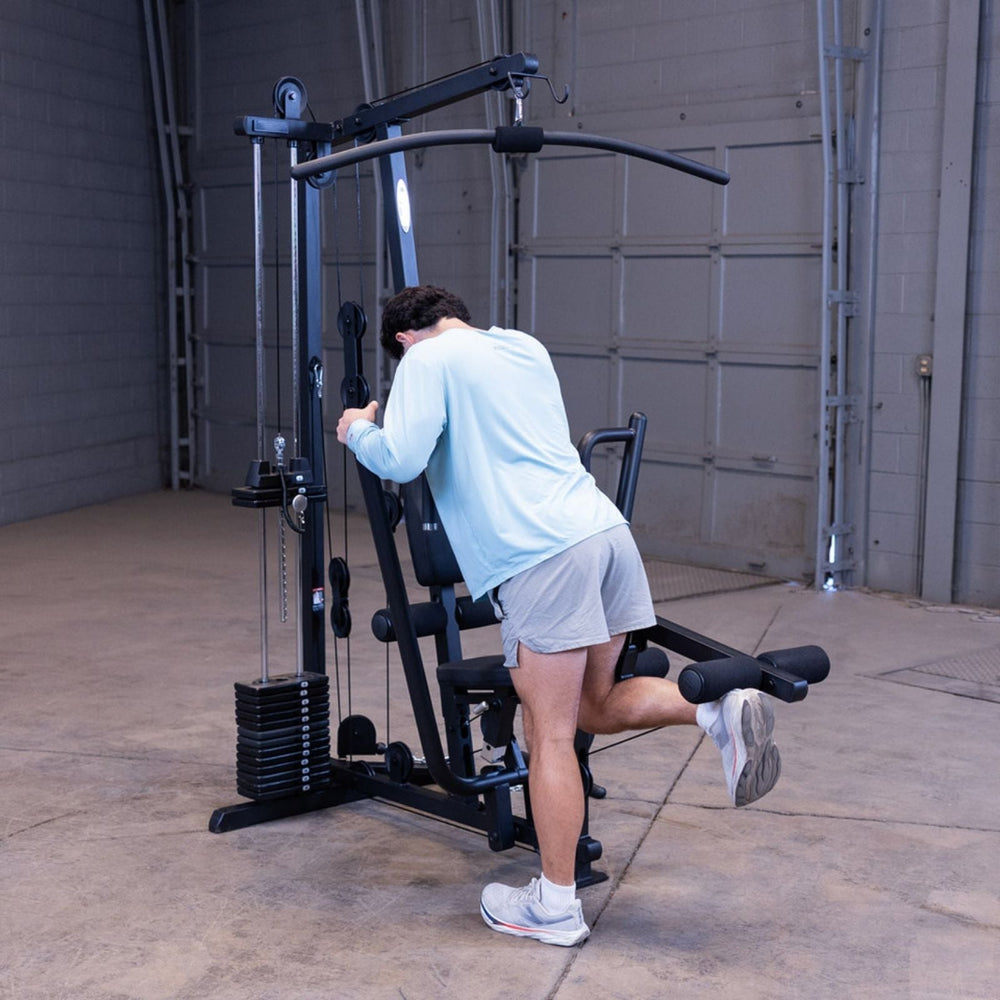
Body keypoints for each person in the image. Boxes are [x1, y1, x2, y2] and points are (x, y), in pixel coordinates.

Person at [337, 285, 781, 947]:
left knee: (548, 735)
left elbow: (401, 459)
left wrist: (358, 430)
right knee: (593, 707)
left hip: (539, 556)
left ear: (404, 338)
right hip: (605, 535)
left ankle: (554, 906)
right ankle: (718, 710)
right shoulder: (523, 347)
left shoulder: (426, 360)